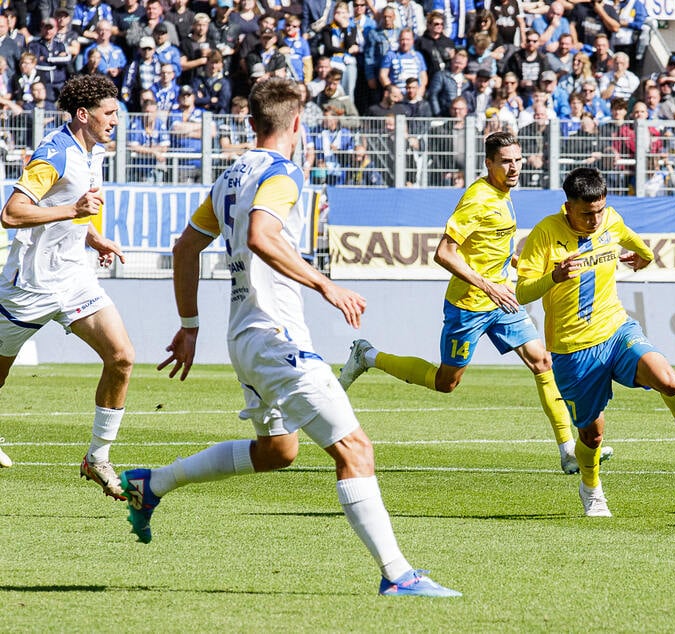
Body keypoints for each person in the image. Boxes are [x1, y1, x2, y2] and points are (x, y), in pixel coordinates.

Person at [121, 77, 460, 599]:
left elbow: (185, 247)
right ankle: (399, 575)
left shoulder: (229, 177)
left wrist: (190, 326)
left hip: (244, 336)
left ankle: (152, 485)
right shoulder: (282, 174)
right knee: (356, 450)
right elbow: (261, 235)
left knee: (278, 450)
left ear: (251, 122)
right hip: (276, 338)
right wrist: (325, 283)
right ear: (297, 123)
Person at [338, 131, 613, 474]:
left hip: (502, 298)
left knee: (542, 361)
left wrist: (515, 267)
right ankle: (368, 356)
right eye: (505, 162)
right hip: (469, 303)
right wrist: (487, 285)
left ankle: (567, 449)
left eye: (517, 160)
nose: (514, 168)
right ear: (489, 164)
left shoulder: (504, 194)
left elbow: (490, 246)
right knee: (446, 382)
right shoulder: (478, 198)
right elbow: (444, 253)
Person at [515, 167, 675, 517]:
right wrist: (554, 276)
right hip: (573, 351)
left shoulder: (610, 220)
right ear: (567, 206)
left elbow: (638, 247)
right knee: (592, 437)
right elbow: (521, 291)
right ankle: (591, 488)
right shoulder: (544, 234)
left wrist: (644, 259)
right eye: (586, 213)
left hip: (616, 330)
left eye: (600, 210)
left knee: (669, 381)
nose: (595, 219)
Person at [0, 74, 134, 498]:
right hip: (31, 285)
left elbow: (75, 213)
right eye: (109, 113)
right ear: (83, 114)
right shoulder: (54, 154)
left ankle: (97, 457)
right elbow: (12, 212)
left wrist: (94, 237)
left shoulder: (94, 153)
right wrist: (71, 209)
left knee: (122, 357)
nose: (115, 120)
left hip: (75, 278)